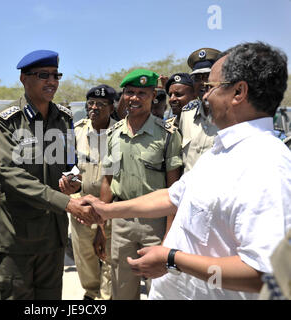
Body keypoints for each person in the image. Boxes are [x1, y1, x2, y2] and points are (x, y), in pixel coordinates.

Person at [82, 42, 291, 300]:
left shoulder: (267, 165)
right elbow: (173, 195)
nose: (204, 96)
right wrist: (107, 210)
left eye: (212, 87)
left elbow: (265, 274)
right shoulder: (223, 150)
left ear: (239, 92)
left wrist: (172, 259)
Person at [0, 50, 98, 300]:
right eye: (43, 75)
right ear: (23, 79)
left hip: (52, 236)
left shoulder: (64, 118)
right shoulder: (7, 122)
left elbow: (71, 163)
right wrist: (67, 203)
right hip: (16, 237)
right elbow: (9, 174)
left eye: (56, 75)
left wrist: (73, 183)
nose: (52, 82)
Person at [100, 69, 182, 300]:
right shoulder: (113, 134)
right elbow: (107, 180)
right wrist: (101, 228)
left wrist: (169, 235)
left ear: (153, 96)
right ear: (123, 95)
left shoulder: (167, 135)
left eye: (141, 93)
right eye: (130, 92)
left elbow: (173, 188)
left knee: (160, 289)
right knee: (121, 288)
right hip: (121, 221)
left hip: (155, 223)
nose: (134, 98)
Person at [70, 84, 117, 300]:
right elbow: (68, 163)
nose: (94, 108)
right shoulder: (77, 131)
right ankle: (91, 292)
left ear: (111, 107)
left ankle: (106, 296)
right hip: (82, 207)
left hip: (111, 207)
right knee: (84, 254)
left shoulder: (120, 133)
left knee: (108, 254)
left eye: (101, 104)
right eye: (91, 103)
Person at [179, 48, 221, 172]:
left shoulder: (232, 117)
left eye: (208, 76)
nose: (203, 83)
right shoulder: (186, 114)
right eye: (197, 78)